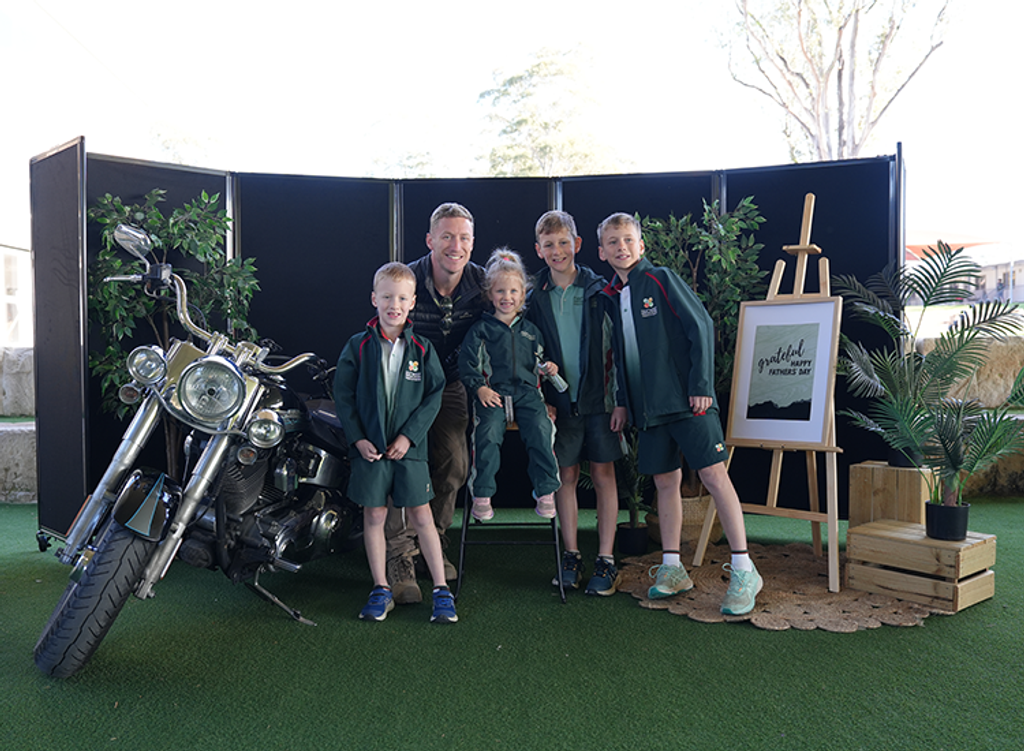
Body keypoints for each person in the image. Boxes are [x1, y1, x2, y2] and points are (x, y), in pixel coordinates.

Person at [596, 212, 763, 616]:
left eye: (628, 239)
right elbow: (623, 356)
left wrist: (701, 385)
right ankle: (673, 569)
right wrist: (622, 401)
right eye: (613, 242)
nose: (621, 247)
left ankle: (745, 570)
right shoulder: (613, 296)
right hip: (649, 410)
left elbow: (701, 325)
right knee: (664, 482)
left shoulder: (661, 279)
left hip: (689, 402)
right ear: (602, 252)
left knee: (713, 475)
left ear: (641, 245)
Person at [334, 262, 457, 623]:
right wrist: (358, 439)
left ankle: (441, 591)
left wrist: (409, 437)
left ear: (413, 302)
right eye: (387, 297)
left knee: (422, 515)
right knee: (374, 515)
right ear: (374, 298)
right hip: (370, 452)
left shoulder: (422, 348)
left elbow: (433, 395)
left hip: (410, 451)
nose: (394, 305)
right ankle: (380, 588)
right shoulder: (357, 347)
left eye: (402, 298)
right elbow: (343, 396)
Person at [385, 202, 489, 605]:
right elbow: (385, 327)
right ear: (430, 240)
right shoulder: (407, 278)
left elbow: (505, 330)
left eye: (463, 238)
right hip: (404, 384)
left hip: (451, 384)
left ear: (472, 243)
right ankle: (399, 554)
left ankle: (433, 541)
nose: (455, 245)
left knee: (454, 463)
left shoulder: (482, 284)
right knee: (399, 462)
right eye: (446, 236)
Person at [525, 210, 627, 596]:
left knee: (603, 475)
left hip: (599, 401)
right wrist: (541, 399)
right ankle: (570, 555)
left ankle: (605, 558)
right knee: (564, 477)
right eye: (549, 245)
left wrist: (619, 401)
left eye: (564, 243)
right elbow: (526, 354)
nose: (557, 251)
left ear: (578, 244)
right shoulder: (533, 297)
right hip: (559, 404)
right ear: (539, 250)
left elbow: (619, 350)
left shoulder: (600, 291)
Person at [459, 248, 561, 521]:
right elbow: (467, 364)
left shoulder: (531, 331)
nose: (507, 297)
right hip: (493, 394)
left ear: (523, 294)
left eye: (513, 291)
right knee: (487, 434)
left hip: (528, 395)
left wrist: (549, 368)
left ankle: (546, 491)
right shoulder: (481, 330)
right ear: (490, 294)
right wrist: (479, 388)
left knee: (541, 429)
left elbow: (541, 362)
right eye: (500, 291)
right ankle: (482, 494)